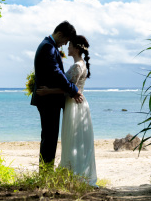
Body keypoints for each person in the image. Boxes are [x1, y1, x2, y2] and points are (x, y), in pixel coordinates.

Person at [36, 35, 97, 185]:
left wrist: (48, 91)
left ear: (76, 48)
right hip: (78, 104)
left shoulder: (77, 66)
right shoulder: (81, 64)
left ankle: (74, 174)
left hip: (74, 105)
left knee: (73, 140)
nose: (67, 47)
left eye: (69, 45)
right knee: (77, 140)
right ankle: (76, 173)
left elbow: (69, 89)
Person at [30, 21, 84, 169]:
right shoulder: (48, 47)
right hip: (48, 100)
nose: (65, 44)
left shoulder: (48, 45)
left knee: (50, 137)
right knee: (49, 137)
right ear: (60, 34)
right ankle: (46, 171)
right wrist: (73, 90)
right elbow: (56, 73)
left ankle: (46, 170)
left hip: (48, 99)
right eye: (65, 40)